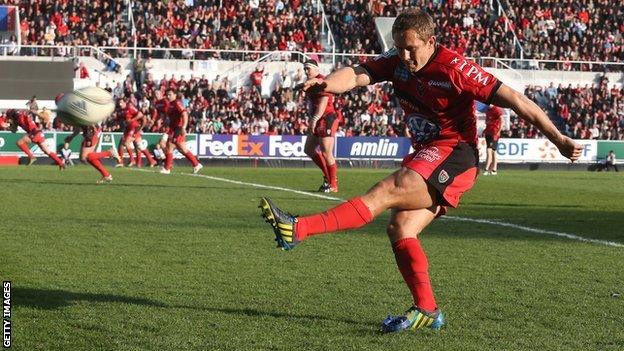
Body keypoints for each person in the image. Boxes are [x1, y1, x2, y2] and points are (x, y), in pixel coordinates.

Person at [259, 8, 582, 334]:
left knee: (386, 190)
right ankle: (427, 309)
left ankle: (298, 229)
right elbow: (356, 75)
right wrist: (327, 83)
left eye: (411, 48)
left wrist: (558, 139)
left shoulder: (456, 68)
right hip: (429, 154)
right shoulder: (396, 60)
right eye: (399, 47)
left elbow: (513, 98)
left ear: (430, 41)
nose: (405, 55)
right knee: (400, 229)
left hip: (456, 155)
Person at [300, 59, 340, 193]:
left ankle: (333, 184)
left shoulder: (322, 81)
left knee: (326, 152)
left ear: (317, 70)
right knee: (309, 149)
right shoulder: (311, 83)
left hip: (327, 118)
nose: (306, 71)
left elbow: (323, 102)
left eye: (308, 69)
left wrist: (314, 119)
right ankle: (328, 177)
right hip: (318, 119)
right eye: (305, 69)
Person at [159, 89, 203, 174]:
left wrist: (183, 127)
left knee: (170, 145)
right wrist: (164, 124)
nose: (168, 96)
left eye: (170, 94)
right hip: (173, 128)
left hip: (178, 128)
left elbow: (184, 114)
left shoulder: (177, 103)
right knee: (181, 149)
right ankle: (196, 164)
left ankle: (167, 168)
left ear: (175, 95)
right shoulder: (170, 104)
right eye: (167, 95)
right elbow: (171, 117)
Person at [483, 105, 503, 175]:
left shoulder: (497, 109)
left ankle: (486, 169)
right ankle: (494, 170)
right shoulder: (488, 110)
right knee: (493, 152)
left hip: (494, 133)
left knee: (489, 150)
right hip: (488, 132)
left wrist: (499, 131)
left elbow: (502, 120)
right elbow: (488, 122)